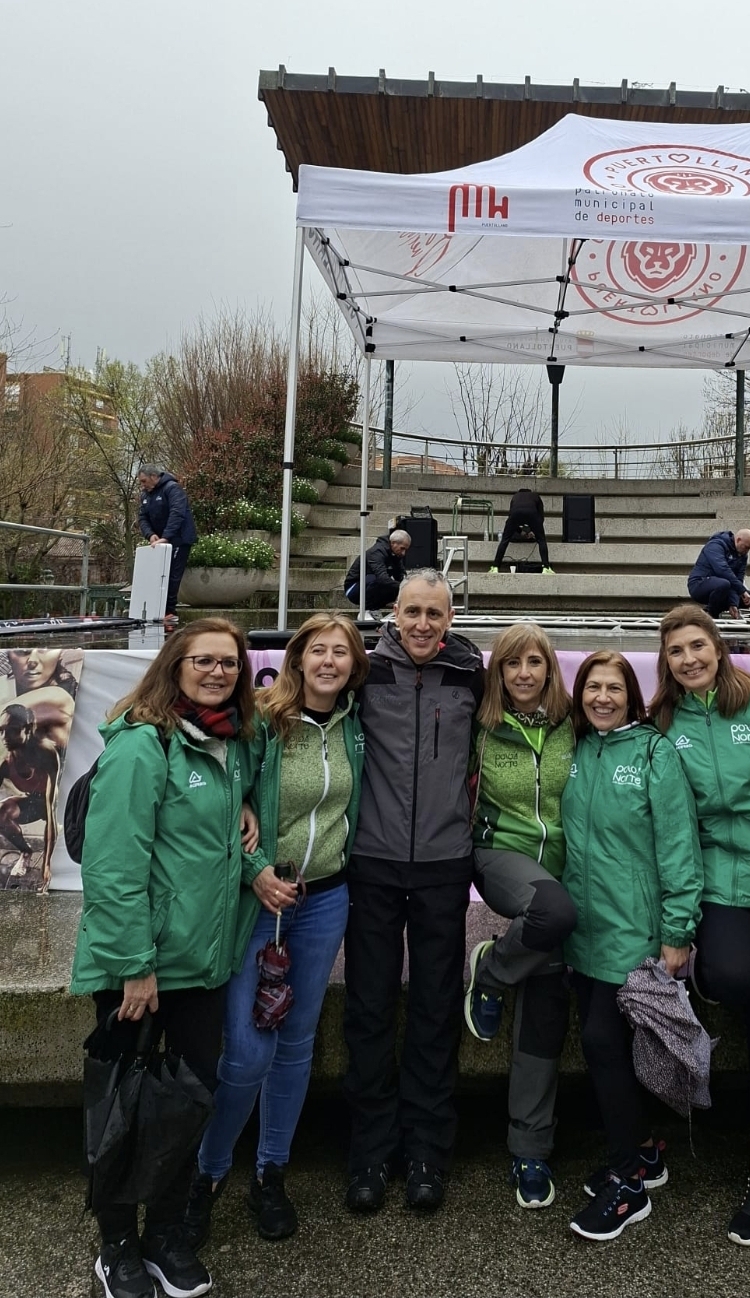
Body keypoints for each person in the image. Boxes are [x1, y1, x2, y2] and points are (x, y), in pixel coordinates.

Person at [70, 617, 258, 1298]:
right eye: (203, 661)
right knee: (122, 1107)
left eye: (229, 664)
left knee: (185, 1105)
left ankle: (167, 1232)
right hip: (141, 969)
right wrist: (135, 966)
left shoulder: (230, 745)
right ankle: (116, 1241)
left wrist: (251, 818)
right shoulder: (142, 746)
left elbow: (231, 820)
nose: (217, 672)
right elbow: (116, 866)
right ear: (174, 666)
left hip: (204, 965)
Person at [187, 613, 369, 1248]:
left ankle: (271, 1172)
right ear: (296, 657)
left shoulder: (355, 727)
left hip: (323, 902)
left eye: (339, 652)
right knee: (245, 1054)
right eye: (316, 649)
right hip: (259, 902)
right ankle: (206, 1175)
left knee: (295, 1044)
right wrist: (254, 868)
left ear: (353, 665)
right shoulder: (264, 718)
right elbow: (221, 792)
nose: (327, 661)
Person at [650, 604, 750, 1246]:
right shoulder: (664, 721)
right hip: (718, 880)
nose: (689, 659)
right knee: (733, 976)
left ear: (718, 648)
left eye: (698, 646)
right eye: (676, 651)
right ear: (666, 662)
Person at [342, 569, 485, 1214]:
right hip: (372, 861)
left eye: (435, 613)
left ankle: (428, 1150)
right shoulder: (364, 673)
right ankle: (370, 1152)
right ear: (393, 614)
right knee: (370, 1010)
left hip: (443, 864)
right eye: (412, 612)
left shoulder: (469, 675)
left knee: (432, 1011)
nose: (423, 624)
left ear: (450, 618)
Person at [561, 651, 702, 1242]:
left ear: (632, 695)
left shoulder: (653, 751)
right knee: (602, 1048)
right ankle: (643, 1153)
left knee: (600, 1040)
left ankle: (629, 1187)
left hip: (633, 933)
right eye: (592, 687)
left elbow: (678, 845)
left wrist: (677, 930)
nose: (601, 698)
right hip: (583, 932)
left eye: (613, 688)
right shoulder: (576, 749)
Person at [465, 622, 578, 1209]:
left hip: (562, 867)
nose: (525, 673)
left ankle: (530, 1149)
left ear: (549, 667)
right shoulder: (479, 727)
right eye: (512, 664)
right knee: (553, 909)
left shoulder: (572, 724)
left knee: (547, 1005)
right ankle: (491, 972)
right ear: (498, 672)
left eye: (535, 662)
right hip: (501, 856)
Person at [0, 703, 60, 889]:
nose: (4, 737)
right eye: (1, 731)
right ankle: (25, 852)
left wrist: (47, 865)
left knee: (55, 817)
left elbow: (51, 812)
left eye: (12, 730)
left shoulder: (46, 753)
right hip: (33, 801)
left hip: (58, 802)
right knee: (2, 812)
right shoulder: (6, 764)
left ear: (28, 729)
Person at [137, 463, 198, 625]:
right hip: (159, 542)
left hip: (179, 539)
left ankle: (170, 611)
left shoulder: (172, 489)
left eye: (144, 481)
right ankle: (157, 610)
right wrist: (150, 535)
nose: (142, 485)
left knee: (172, 575)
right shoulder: (145, 495)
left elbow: (177, 513)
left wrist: (167, 536)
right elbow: (142, 518)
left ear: (154, 477)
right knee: (157, 575)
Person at [687, 527, 750, 619]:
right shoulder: (715, 545)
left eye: (749, 549)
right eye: (746, 547)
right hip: (700, 583)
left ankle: (715, 608)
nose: (747, 551)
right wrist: (742, 591)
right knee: (724, 584)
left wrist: (733, 603)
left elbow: (738, 580)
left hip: (723, 586)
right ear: (738, 540)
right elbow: (722, 570)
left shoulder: (742, 555)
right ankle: (711, 614)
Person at [489, 487, 554, 575]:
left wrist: (520, 531)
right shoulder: (535, 496)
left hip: (516, 514)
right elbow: (540, 517)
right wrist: (533, 531)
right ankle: (546, 567)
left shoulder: (515, 497)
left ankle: (495, 567)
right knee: (541, 540)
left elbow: (512, 517)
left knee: (505, 540)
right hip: (533, 513)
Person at [343, 528, 411, 612]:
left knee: (397, 586)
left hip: (370, 585)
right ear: (393, 543)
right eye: (402, 548)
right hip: (353, 589)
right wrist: (404, 586)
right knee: (377, 580)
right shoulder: (376, 553)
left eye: (405, 550)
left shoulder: (396, 555)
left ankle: (375, 608)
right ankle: (367, 610)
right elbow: (382, 578)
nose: (403, 553)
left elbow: (400, 575)